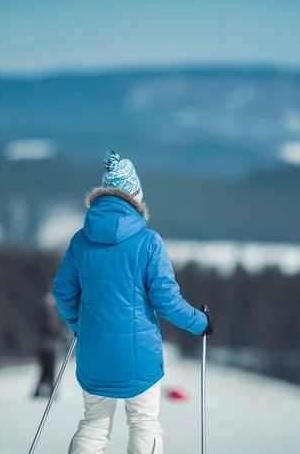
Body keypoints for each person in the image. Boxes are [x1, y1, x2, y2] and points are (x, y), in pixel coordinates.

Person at [52, 150, 214, 454]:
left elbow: (63, 292)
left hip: (94, 353)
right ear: (136, 199)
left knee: (94, 422)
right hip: (141, 357)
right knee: (144, 423)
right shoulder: (149, 242)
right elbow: (165, 301)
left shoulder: (80, 241)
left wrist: (80, 325)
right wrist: (201, 322)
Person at [33, 292, 64, 397]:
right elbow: (44, 329)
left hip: (51, 346)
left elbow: (57, 328)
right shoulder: (43, 314)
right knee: (46, 371)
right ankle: (43, 393)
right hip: (44, 347)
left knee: (49, 371)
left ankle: (50, 392)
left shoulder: (54, 312)